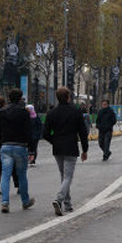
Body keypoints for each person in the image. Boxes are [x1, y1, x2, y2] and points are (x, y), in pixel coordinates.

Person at [43, 87, 89, 216]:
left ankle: (68, 204)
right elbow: (83, 132)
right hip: (71, 147)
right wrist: (85, 149)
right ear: (68, 97)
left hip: (57, 148)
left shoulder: (52, 113)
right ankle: (59, 199)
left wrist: (54, 141)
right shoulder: (76, 111)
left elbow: (45, 133)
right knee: (68, 177)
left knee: (64, 176)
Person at [0, 88, 36, 213]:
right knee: (22, 175)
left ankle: (5, 202)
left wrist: (3, 139)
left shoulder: (1, 112)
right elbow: (29, 131)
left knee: (5, 175)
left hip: (6, 146)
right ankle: (25, 201)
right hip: (20, 146)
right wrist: (32, 150)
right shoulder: (24, 113)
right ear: (20, 98)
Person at [0, 97, 18, 196]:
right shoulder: (4, 114)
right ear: (4, 104)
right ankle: (18, 186)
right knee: (12, 162)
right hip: (5, 140)